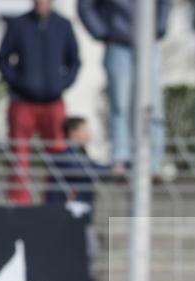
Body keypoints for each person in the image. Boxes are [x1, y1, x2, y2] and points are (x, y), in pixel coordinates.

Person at [0, 0, 81, 205]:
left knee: (59, 153)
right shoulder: (18, 24)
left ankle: (56, 201)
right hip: (22, 102)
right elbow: (2, 59)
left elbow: (74, 61)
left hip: (53, 102)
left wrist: (60, 84)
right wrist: (19, 82)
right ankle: (19, 201)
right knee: (19, 153)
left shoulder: (63, 25)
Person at [78, 0, 171, 176]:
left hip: (149, 42)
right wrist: (103, 33)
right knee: (120, 105)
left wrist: (159, 28)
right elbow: (85, 6)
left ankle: (154, 164)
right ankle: (121, 160)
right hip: (118, 44)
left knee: (153, 106)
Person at [47, 116, 108, 205]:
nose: (89, 134)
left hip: (80, 207)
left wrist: (114, 167)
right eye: (85, 130)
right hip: (64, 208)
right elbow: (82, 171)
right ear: (73, 132)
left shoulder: (80, 153)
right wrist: (111, 170)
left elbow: (95, 166)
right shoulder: (62, 153)